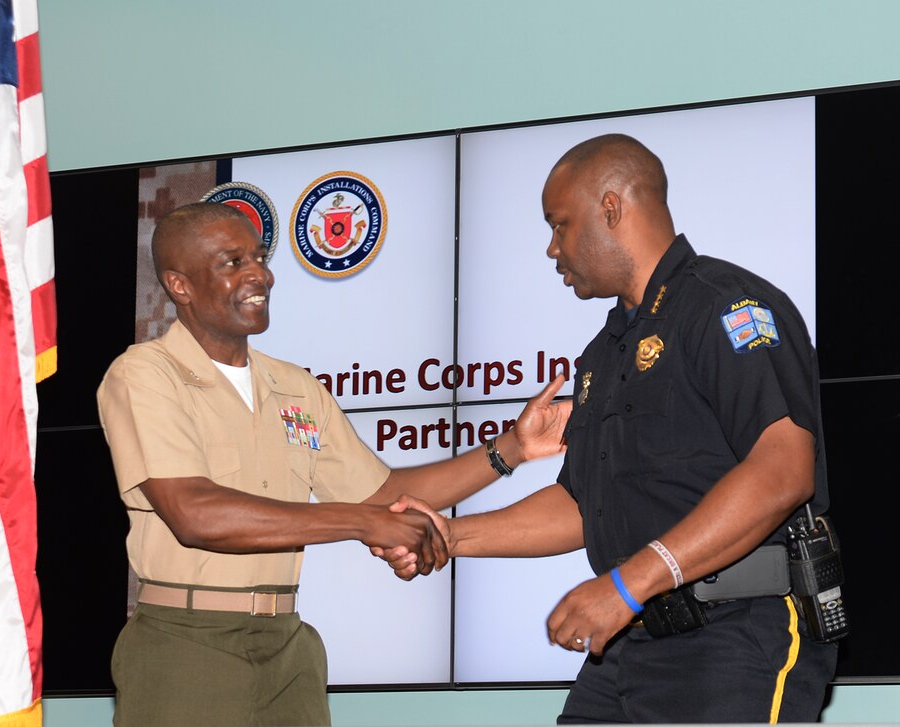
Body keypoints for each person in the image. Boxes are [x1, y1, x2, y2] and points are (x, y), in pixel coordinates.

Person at [385, 133, 838, 723]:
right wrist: (451, 535)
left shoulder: (728, 307)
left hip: (734, 636)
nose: (552, 248)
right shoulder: (604, 352)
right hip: (630, 641)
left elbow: (783, 471)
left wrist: (626, 585)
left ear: (611, 208)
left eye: (560, 225)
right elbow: (581, 506)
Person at [95, 202, 571, 727]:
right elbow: (195, 514)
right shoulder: (144, 375)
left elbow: (384, 494)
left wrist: (511, 450)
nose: (261, 274)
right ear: (179, 285)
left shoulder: (295, 387)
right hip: (187, 645)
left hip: (288, 650)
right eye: (233, 262)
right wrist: (362, 523)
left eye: (259, 257)